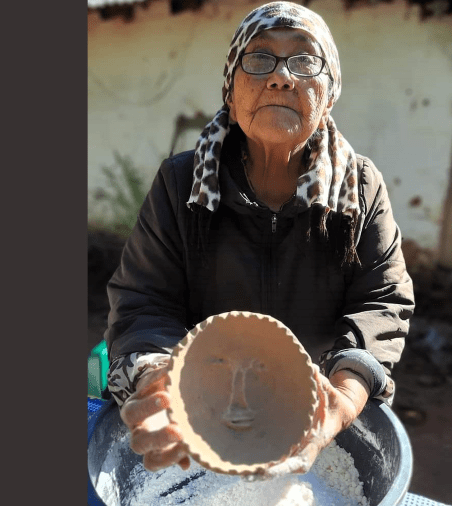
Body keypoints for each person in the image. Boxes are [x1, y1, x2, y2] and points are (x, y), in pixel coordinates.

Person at [104, 1, 415, 477]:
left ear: (329, 95)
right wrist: (163, 378)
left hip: (308, 413)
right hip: (200, 411)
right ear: (231, 89)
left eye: (305, 60)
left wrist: (344, 396)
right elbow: (144, 300)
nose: (281, 77)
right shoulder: (182, 182)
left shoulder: (361, 188)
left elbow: (382, 302)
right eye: (259, 57)